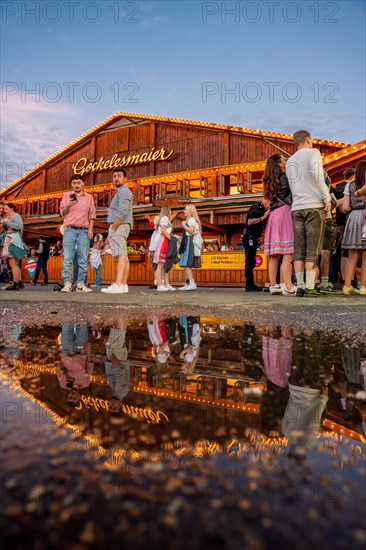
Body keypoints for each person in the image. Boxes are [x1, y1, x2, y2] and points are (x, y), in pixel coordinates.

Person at [286, 130, 331, 297]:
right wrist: (326, 197)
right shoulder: (314, 152)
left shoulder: (290, 161)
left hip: (297, 207)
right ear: (308, 140)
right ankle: (310, 287)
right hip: (313, 206)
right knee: (313, 247)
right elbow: (318, 174)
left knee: (299, 248)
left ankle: (301, 286)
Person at [262, 154, 295, 297]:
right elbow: (292, 194)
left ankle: (274, 285)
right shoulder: (284, 177)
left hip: (273, 215)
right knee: (288, 251)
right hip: (285, 212)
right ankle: (288, 285)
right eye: (284, 161)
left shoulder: (268, 180)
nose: (285, 163)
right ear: (279, 164)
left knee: (274, 254)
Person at [59, 174, 95, 293]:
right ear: (71, 184)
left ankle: (80, 284)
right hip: (69, 229)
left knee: (83, 258)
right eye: (74, 183)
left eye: (79, 183)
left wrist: (91, 229)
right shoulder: (66, 196)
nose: (76, 185)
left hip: (84, 230)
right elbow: (63, 213)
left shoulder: (89, 197)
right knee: (68, 257)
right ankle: (67, 284)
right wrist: (69, 205)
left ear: (83, 183)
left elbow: (91, 215)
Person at [102, 168, 133, 294]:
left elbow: (122, 211)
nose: (116, 178)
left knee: (120, 255)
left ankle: (118, 284)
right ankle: (123, 284)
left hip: (119, 225)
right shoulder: (120, 191)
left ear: (125, 179)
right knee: (124, 255)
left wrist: (113, 227)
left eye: (119, 176)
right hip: (121, 225)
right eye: (114, 176)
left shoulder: (124, 191)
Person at [341, 160, 366, 295]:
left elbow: (345, 207)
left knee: (352, 255)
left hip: (354, 216)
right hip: (365, 216)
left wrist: (351, 207)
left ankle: (347, 286)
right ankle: (364, 287)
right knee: (365, 256)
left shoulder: (349, 185)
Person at [331, 168, 356, 286]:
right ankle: (349, 280)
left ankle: (344, 280)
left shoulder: (337, 187)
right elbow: (342, 206)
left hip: (339, 222)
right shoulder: (351, 187)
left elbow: (335, 203)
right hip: (349, 221)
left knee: (343, 252)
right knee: (350, 252)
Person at [242, 198, 270, 291]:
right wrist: (263, 217)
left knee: (252, 262)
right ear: (266, 201)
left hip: (253, 239)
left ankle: (251, 284)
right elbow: (250, 222)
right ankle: (249, 286)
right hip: (249, 238)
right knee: (249, 262)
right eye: (269, 204)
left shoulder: (262, 209)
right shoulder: (256, 208)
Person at [0, 203, 28, 290]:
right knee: (14, 263)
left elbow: (19, 226)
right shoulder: (10, 217)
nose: (5, 211)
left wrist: (7, 222)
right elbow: (4, 229)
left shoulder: (16, 216)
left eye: (6, 209)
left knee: (13, 262)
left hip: (13, 240)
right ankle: (19, 282)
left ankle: (15, 283)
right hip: (9, 239)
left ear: (12, 208)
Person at [178, 204, 202, 291]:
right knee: (185, 263)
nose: (184, 211)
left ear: (191, 211)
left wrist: (183, 225)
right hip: (187, 242)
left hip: (189, 242)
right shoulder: (190, 219)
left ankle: (192, 283)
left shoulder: (191, 219)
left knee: (186, 263)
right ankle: (188, 282)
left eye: (186, 209)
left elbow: (191, 230)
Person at [153, 205, 175, 292]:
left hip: (164, 240)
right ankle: (160, 284)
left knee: (165, 264)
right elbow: (164, 231)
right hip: (164, 241)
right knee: (161, 264)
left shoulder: (164, 219)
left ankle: (165, 283)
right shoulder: (165, 218)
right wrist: (172, 239)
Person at [148, 215, 160, 289]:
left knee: (159, 267)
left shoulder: (160, 232)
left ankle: (160, 282)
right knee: (155, 268)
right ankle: (155, 282)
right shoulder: (153, 233)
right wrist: (149, 250)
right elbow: (152, 243)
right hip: (152, 251)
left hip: (157, 251)